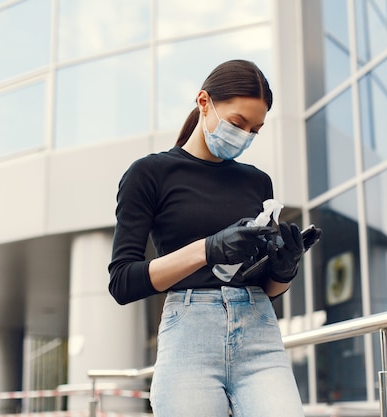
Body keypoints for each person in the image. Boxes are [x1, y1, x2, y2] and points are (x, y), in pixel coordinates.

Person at [108, 59, 320, 417]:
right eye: (238, 123)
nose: (246, 136)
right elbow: (123, 282)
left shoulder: (258, 181)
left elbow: (267, 288)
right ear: (204, 102)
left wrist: (283, 271)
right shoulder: (150, 174)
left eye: (255, 129)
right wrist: (209, 249)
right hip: (190, 336)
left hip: (259, 331)